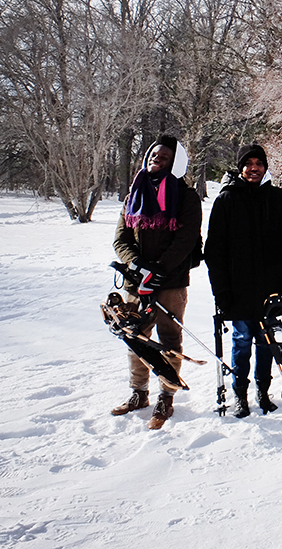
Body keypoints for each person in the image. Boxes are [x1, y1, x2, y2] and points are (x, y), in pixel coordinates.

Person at [111, 134, 202, 430]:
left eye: (162, 158)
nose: (155, 160)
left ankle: (167, 395)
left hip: (170, 281)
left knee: (169, 340)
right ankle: (139, 393)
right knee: (135, 336)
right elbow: (121, 238)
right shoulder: (134, 193)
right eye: (152, 156)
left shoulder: (185, 196)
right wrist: (137, 264)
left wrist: (160, 268)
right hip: (136, 281)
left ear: (175, 163)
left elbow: (186, 238)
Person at [204, 144, 282, 418]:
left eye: (259, 163)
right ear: (240, 167)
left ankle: (263, 391)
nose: (253, 168)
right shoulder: (226, 200)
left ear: (265, 166)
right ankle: (240, 395)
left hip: (271, 292)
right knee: (242, 340)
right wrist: (221, 292)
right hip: (239, 291)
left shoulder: (278, 198)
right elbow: (215, 252)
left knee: (266, 342)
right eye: (248, 163)